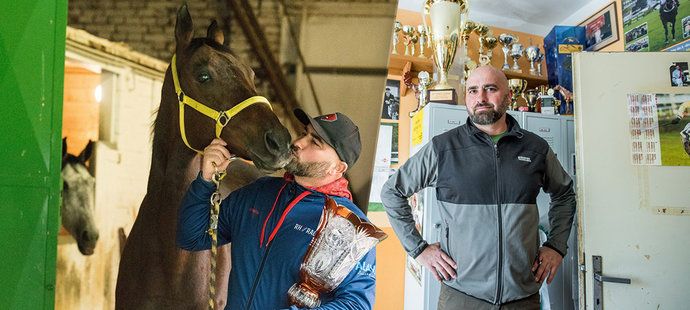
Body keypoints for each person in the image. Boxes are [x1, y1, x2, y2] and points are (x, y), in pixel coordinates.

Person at [381, 65, 576, 309]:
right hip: (461, 298)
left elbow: (565, 194)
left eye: (490, 89)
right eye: (473, 91)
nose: (480, 98)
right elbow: (392, 192)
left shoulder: (535, 148)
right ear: (466, 99)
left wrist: (556, 246)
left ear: (508, 96)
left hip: (522, 298)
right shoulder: (443, 148)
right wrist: (418, 249)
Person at [177, 109, 376, 309]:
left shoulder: (350, 226)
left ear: (338, 168)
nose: (298, 143)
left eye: (314, 142)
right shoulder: (258, 192)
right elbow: (192, 237)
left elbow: (356, 303)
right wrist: (205, 180)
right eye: (303, 133)